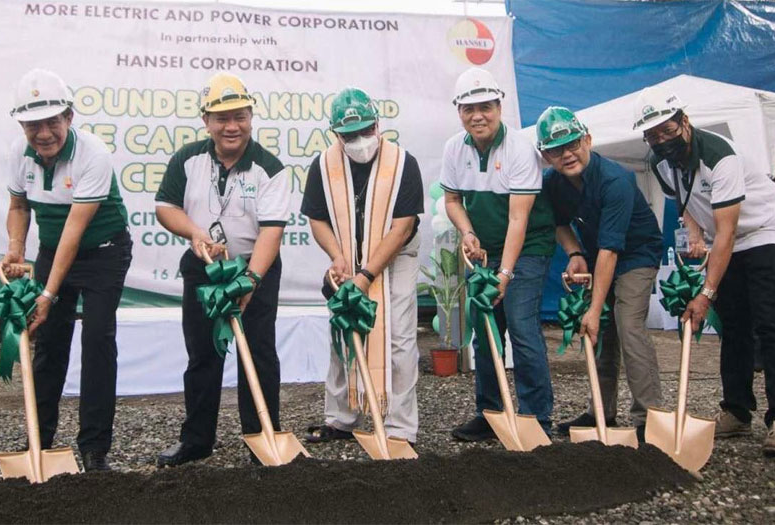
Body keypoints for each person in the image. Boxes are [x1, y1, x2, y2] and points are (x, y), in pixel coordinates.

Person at [634, 86, 775, 456]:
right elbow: (685, 203)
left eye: (667, 128)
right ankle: (737, 410)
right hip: (727, 239)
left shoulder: (720, 156)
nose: (662, 139)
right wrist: (694, 231)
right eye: (653, 134)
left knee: (769, 322)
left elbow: (726, 233)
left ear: (684, 121)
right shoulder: (659, 162)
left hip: (763, 232)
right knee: (734, 324)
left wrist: (705, 293)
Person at [155, 73, 290, 466]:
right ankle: (196, 441)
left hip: (255, 268)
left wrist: (250, 279)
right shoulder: (188, 159)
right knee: (202, 354)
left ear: (251, 117)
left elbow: (272, 231)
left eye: (240, 116)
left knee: (259, 352)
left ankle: (262, 437)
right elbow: (165, 206)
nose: (232, 126)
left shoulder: (271, 168)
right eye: (222, 118)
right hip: (205, 271)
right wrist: (196, 234)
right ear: (206, 121)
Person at [0, 68, 132, 472]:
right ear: (23, 125)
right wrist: (15, 250)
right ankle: (40, 441)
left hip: (102, 252)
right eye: (33, 125)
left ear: (69, 118)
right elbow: (20, 207)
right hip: (52, 250)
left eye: (52, 122)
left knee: (96, 342)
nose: (43, 134)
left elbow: (75, 231)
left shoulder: (93, 154)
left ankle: (95, 450)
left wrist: (47, 294)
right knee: (49, 344)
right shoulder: (19, 157)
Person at [300, 87, 424, 445]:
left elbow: (401, 228)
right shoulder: (324, 166)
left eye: (366, 131)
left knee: (398, 337)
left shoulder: (403, 163)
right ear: (336, 134)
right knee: (343, 329)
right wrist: (337, 256)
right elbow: (317, 218)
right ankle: (341, 418)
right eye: (349, 135)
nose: (359, 141)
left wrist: (367, 274)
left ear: (378, 124)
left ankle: (401, 426)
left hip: (395, 257)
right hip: (347, 257)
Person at [440, 67, 557, 440]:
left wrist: (505, 275)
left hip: (527, 248)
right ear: (459, 111)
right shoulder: (453, 148)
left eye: (486, 106)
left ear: (499, 106)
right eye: (469, 108)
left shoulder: (520, 148)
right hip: (484, 252)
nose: (478, 116)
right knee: (485, 330)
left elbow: (518, 220)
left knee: (521, 327)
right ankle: (489, 414)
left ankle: (536, 418)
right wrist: (468, 232)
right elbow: (452, 200)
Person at [537, 106, 664, 442]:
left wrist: (593, 309)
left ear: (588, 140)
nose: (567, 154)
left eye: (573, 144)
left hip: (636, 254)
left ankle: (649, 416)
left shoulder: (616, 180)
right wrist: (575, 253)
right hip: (597, 255)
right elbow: (558, 223)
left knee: (627, 323)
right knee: (600, 333)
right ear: (545, 156)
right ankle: (600, 412)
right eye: (555, 150)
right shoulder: (551, 183)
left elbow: (611, 251)